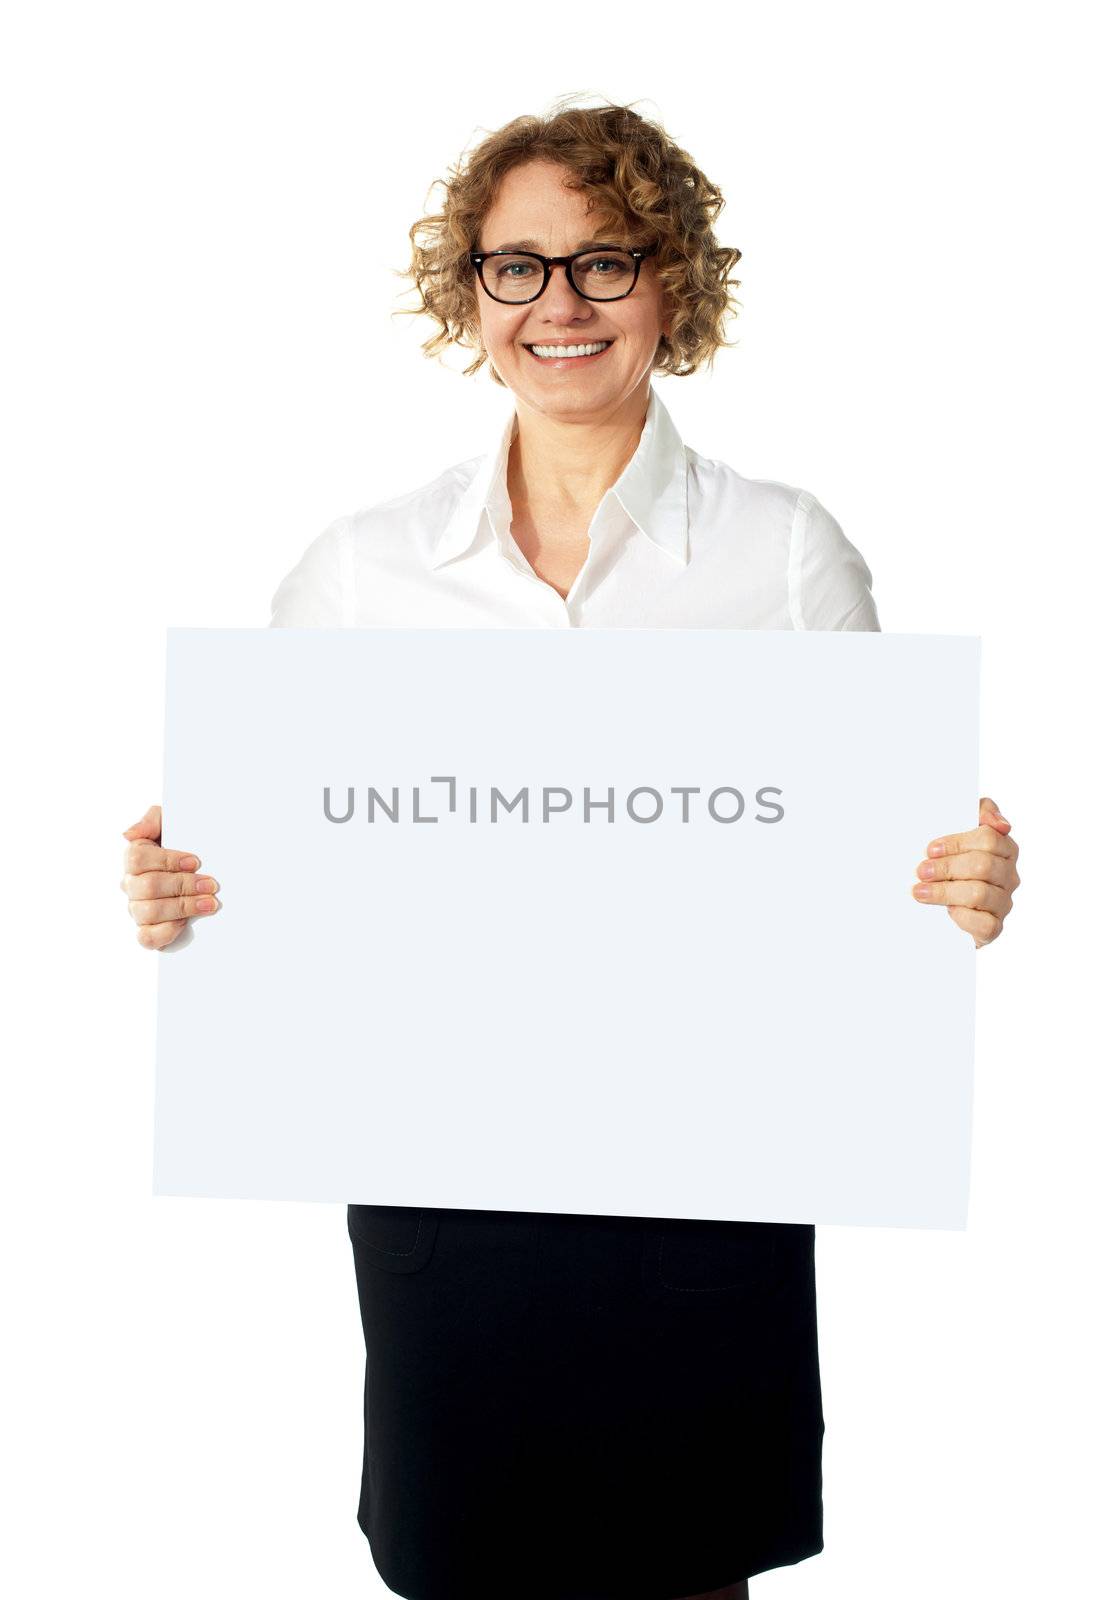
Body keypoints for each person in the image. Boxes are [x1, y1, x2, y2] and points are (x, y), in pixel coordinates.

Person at [120, 101, 1021, 1600]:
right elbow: (266, 879)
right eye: (518, 267)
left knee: (683, 1570)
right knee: (461, 1563)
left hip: (705, 1192)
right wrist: (185, 899)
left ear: (672, 290)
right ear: (467, 296)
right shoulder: (361, 571)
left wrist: (961, 893)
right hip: (446, 1200)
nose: (561, 304)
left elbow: (887, 883)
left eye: (606, 264)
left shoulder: (786, 554)